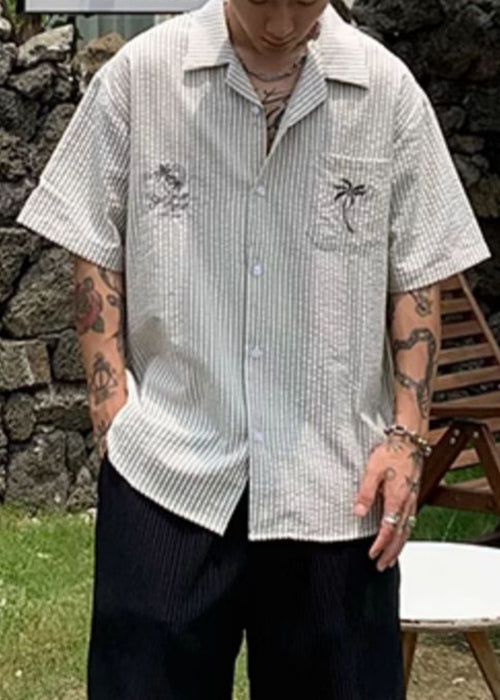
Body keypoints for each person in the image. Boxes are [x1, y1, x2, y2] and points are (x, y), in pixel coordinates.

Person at [16, 0, 492, 697]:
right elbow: (93, 239)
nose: (281, 23)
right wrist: (109, 403)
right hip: (168, 471)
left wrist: (407, 438)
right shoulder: (142, 78)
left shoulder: (387, 94)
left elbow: (417, 276)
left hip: (336, 484)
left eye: (303, 0)